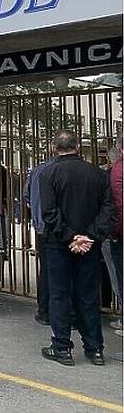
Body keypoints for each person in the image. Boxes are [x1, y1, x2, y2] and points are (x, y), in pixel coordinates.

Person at [40, 130, 114, 367]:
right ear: (78, 148)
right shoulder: (97, 174)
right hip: (89, 245)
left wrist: (70, 236)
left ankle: (61, 347)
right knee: (88, 295)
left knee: (60, 294)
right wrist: (90, 236)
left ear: (54, 148)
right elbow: (108, 210)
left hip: (58, 244)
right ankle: (95, 349)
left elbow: (49, 213)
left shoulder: (48, 173)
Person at [25, 150, 57, 326]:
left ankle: (44, 311)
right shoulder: (87, 170)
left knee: (46, 270)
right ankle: (72, 315)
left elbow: (27, 197)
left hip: (43, 229)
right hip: (74, 232)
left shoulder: (38, 171)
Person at [105, 140, 122, 334]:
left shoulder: (116, 172)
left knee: (119, 275)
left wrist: (114, 232)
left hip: (117, 233)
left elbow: (118, 205)